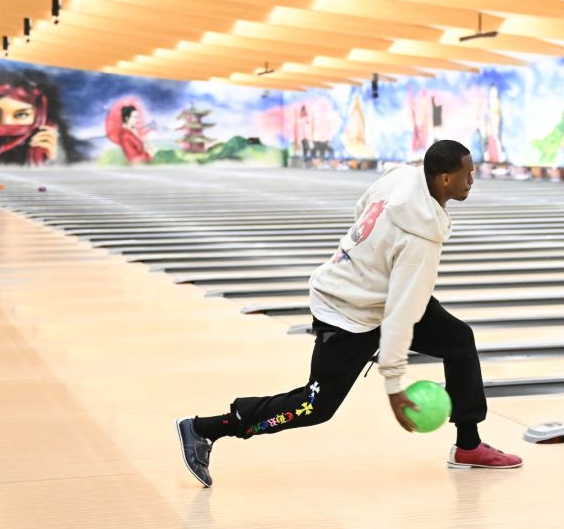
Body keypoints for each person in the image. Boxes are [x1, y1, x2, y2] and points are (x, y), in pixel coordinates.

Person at [176, 140, 523, 487]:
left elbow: (362, 209)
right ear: (445, 179)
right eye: (468, 174)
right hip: (346, 312)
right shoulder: (420, 241)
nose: (473, 180)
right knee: (315, 406)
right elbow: (402, 315)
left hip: (376, 296)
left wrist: (370, 263)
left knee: (458, 339)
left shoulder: (401, 175)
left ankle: (468, 446)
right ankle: (205, 429)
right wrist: (393, 385)